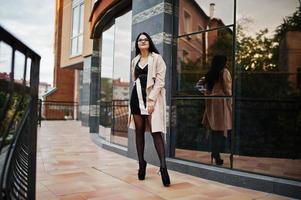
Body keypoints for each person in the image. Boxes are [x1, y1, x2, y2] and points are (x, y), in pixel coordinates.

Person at [128, 32, 170, 186]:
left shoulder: (157, 58)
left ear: (149, 42)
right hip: (136, 99)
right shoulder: (135, 60)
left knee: (156, 132)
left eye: (145, 39)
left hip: (152, 98)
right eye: (140, 40)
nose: (143, 41)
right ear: (137, 44)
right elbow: (135, 80)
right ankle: (141, 164)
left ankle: (163, 167)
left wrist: (151, 100)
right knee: (138, 132)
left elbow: (160, 81)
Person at [202, 55, 232, 166]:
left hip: (211, 103)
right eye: (226, 61)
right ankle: (217, 154)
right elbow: (228, 89)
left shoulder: (210, 73)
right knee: (221, 130)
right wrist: (231, 101)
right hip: (221, 103)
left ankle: (216, 154)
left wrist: (208, 94)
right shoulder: (224, 72)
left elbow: (199, 85)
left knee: (215, 130)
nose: (227, 63)